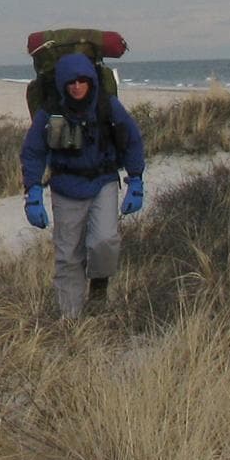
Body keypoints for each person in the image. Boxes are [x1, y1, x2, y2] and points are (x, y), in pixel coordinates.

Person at [21, 52, 147, 318]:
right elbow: (32, 151)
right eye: (71, 82)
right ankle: (71, 318)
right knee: (68, 256)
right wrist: (33, 192)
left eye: (82, 80)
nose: (77, 86)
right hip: (65, 187)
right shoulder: (50, 112)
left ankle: (99, 285)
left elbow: (132, 138)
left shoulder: (107, 106)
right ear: (62, 84)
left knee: (105, 240)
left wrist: (135, 179)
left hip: (103, 182)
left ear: (91, 81)